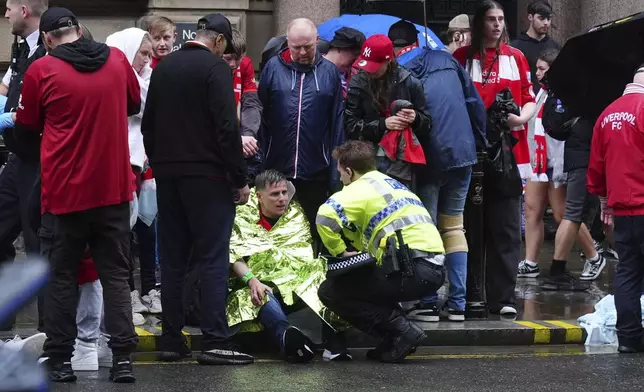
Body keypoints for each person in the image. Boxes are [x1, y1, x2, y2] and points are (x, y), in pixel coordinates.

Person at [15, 7, 141, 383]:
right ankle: (122, 361)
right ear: (79, 32)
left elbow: (26, 128)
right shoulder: (117, 61)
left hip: (64, 192)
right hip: (113, 190)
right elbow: (133, 105)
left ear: (49, 39)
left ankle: (60, 360)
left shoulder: (43, 69)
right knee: (116, 276)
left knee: (62, 278)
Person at [142, 13, 254, 366]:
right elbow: (225, 129)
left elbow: (148, 126)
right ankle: (216, 340)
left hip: (169, 176)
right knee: (212, 259)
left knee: (173, 260)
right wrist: (239, 179)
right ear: (219, 41)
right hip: (207, 178)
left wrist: (161, 165)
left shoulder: (164, 67)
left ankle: (172, 341)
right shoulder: (216, 69)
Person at [316, 140, 445, 363]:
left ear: (349, 171)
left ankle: (403, 331)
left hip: (410, 270)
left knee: (331, 291)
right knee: (370, 284)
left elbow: (324, 217)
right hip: (434, 270)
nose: (340, 179)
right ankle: (393, 340)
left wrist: (339, 252)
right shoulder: (393, 185)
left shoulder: (358, 188)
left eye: (341, 173)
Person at [452, 0, 537, 316]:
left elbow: (529, 99)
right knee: (471, 226)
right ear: (479, 23)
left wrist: (519, 119)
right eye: (491, 19)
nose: (498, 24)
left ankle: (503, 298)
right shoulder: (462, 58)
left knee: (505, 226)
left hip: (509, 152)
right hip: (471, 151)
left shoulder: (516, 58)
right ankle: (473, 295)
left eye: (501, 19)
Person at [226, 169, 350, 362]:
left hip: (294, 281)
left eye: (284, 192)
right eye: (275, 194)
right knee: (260, 296)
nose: (282, 199)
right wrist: (252, 280)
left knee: (322, 274)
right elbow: (234, 254)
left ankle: (335, 342)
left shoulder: (295, 213)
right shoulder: (241, 215)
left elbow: (303, 253)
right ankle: (286, 338)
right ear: (259, 196)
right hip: (258, 283)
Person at [405, 40, 487, 322]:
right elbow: (474, 103)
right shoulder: (449, 61)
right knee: (454, 226)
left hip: (430, 157)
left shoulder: (404, 69)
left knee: (427, 229)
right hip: (464, 152)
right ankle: (457, 304)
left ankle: (428, 302)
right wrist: (480, 141)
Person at [258, 18, 344, 254]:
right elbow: (260, 117)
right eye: (297, 47)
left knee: (313, 233)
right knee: (278, 236)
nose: (303, 52)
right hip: (277, 169)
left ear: (317, 41)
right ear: (288, 43)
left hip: (316, 169)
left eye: (309, 46)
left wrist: (335, 171)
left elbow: (337, 123)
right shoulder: (273, 68)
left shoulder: (329, 73)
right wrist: (260, 164)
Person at [587, 65, 644, 353]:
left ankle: (630, 339)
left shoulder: (607, 113)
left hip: (623, 209)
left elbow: (596, 165)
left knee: (629, 273)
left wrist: (603, 200)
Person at [105, 27, 160, 323]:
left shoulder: (149, 80)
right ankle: (124, 294)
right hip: (118, 165)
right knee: (120, 235)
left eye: (150, 55)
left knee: (146, 230)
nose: (148, 62)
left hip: (145, 167)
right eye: (143, 54)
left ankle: (148, 289)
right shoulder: (112, 79)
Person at [0, 0, 48, 332]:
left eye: (10, 7)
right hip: (18, 159)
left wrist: (12, 116)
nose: (6, 14)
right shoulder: (21, 50)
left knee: (37, 246)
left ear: (25, 11)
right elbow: (9, 90)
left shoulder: (47, 52)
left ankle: (50, 334)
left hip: (40, 162)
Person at [539, 82, 606, 289]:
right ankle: (557, 271)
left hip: (575, 152)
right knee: (573, 214)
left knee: (571, 214)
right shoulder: (594, 90)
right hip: (584, 154)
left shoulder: (574, 84)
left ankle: (558, 271)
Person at [345, 34, 430, 190]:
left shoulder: (410, 82)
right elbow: (350, 126)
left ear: (388, 60)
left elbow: (427, 124)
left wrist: (415, 118)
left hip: (400, 163)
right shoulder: (358, 82)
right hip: (366, 160)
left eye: (374, 66)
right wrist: (383, 124)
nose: (369, 71)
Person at [517, 48, 570, 279]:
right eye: (536, 68)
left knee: (562, 214)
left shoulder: (565, 95)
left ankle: (592, 255)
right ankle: (530, 261)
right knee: (532, 210)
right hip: (537, 162)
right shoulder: (540, 93)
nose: (537, 73)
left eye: (542, 69)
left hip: (556, 162)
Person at [222, 28, 263, 183]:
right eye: (228, 58)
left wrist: (248, 135)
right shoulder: (210, 67)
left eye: (237, 58)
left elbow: (251, 103)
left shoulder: (245, 65)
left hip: (239, 130)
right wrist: (236, 139)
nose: (233, 64)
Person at [510, 0, 561, 94]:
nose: (546, 23)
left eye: (548, 19)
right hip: (523, 100)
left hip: (549, 101)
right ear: (530, 17)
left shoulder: (556, 46)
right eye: (541, 18)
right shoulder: (515, 47)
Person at [323, 27, 365, 97]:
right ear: (340, 47)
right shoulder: (317, 73)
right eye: (356, 54)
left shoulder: (354, 73)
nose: (357, 60)